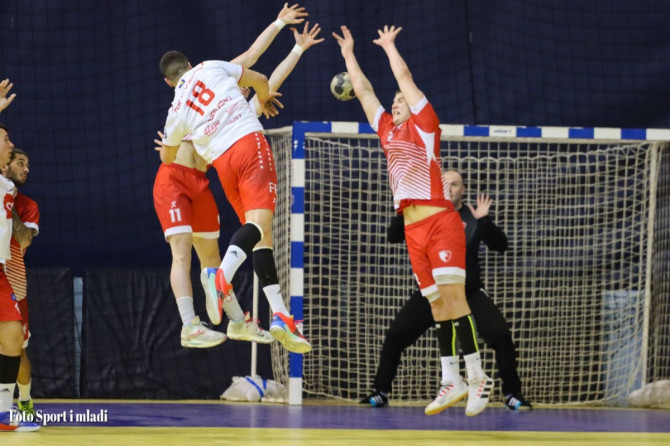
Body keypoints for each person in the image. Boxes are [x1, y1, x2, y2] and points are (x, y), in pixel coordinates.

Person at [333, 25, 493, 416]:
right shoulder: (388, 131)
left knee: (455, 300)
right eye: (395, 101)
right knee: (437, 305)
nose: (397, 102)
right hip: (412, 228)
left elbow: (404, 77)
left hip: (440, 222)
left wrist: (389, 47)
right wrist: (349, 54)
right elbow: (364, 92)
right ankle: (452, 379)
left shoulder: (426, 126)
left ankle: (478, 378)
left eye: (402, 99)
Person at [152, 3, 312, 349]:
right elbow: (259, 71)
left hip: (216, 169)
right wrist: (280, 30)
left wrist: (295, 47)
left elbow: (265, 73)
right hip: (195, 169)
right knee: (188, 252)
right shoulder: (212, 74)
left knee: (258, 236)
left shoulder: (187, 106)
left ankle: (269, 316)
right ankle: (200, 308)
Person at [361, 170, 533, 411]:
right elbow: (393, 236)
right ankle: (380, 391)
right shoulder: (423, 214)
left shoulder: (472, 216)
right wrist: (407, 210)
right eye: (445, 184)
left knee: (501, 334)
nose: (449, 188)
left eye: (455, 184)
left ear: (463, 190)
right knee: (396, 334)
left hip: (468, 292)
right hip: (432, 293)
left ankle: (512, 394)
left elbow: (501, 245)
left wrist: (484, 220)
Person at [0, 123, 39, 432]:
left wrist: (10, 202)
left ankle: (20, 404)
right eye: (20, 162)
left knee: (16, 345)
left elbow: (25, 239)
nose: (26, 169)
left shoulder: (24, 203)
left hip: (11, 282)